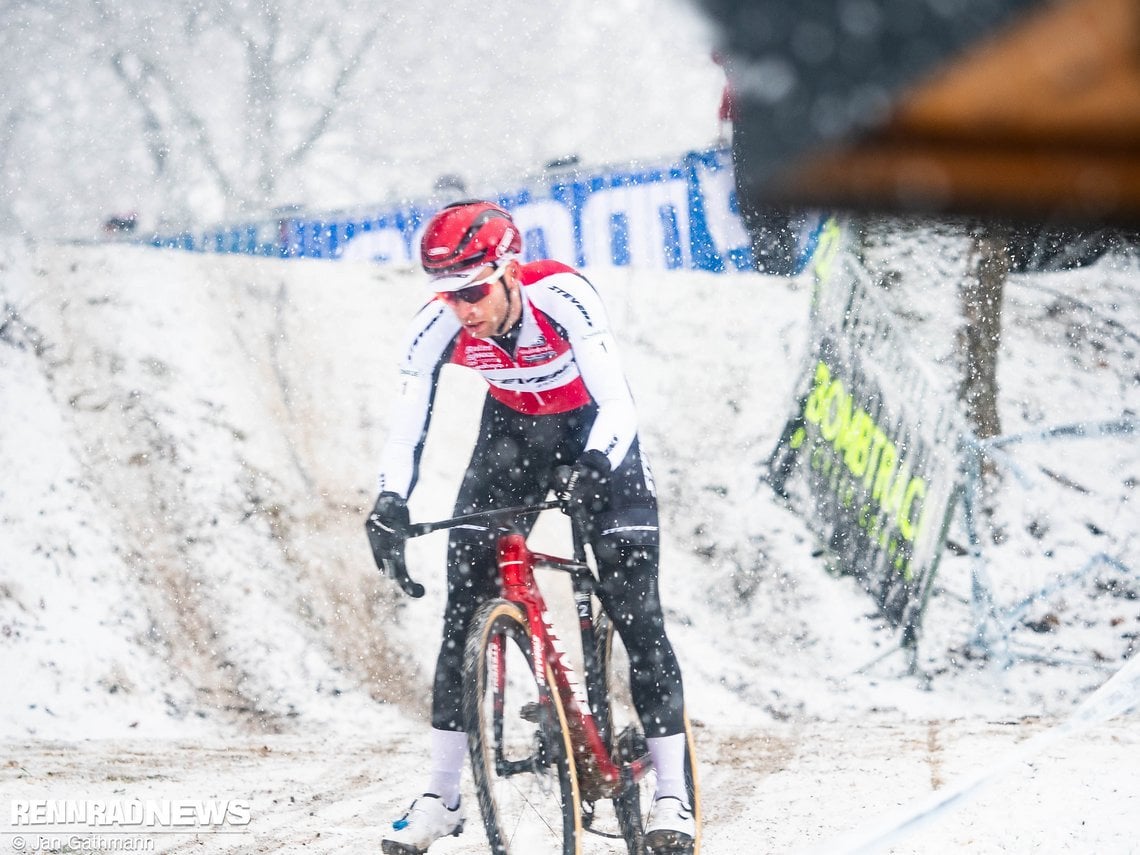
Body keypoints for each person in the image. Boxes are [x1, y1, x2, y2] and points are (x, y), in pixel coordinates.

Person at [365, 200, 695, 854]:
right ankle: (442, 793)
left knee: (634, 605)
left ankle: (671, 790)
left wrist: (598, 463)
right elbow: (407, 426)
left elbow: (618, 401)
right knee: (463, 607)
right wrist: (389, 502)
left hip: (594, 430)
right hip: (514, 432)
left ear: (509, 271)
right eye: (447, 294)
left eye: (473, 291)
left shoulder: (562, 296)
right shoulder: (438, 324)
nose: (461, 308)